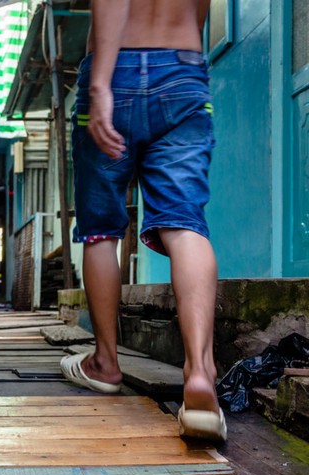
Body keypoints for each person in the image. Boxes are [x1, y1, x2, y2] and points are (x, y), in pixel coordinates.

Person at [60, 0, 226, 441]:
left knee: (100, 231)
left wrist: (100, 85)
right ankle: (200, 372)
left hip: (115, 69)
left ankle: (106, 362)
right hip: (183, 67)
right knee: (184, 224)